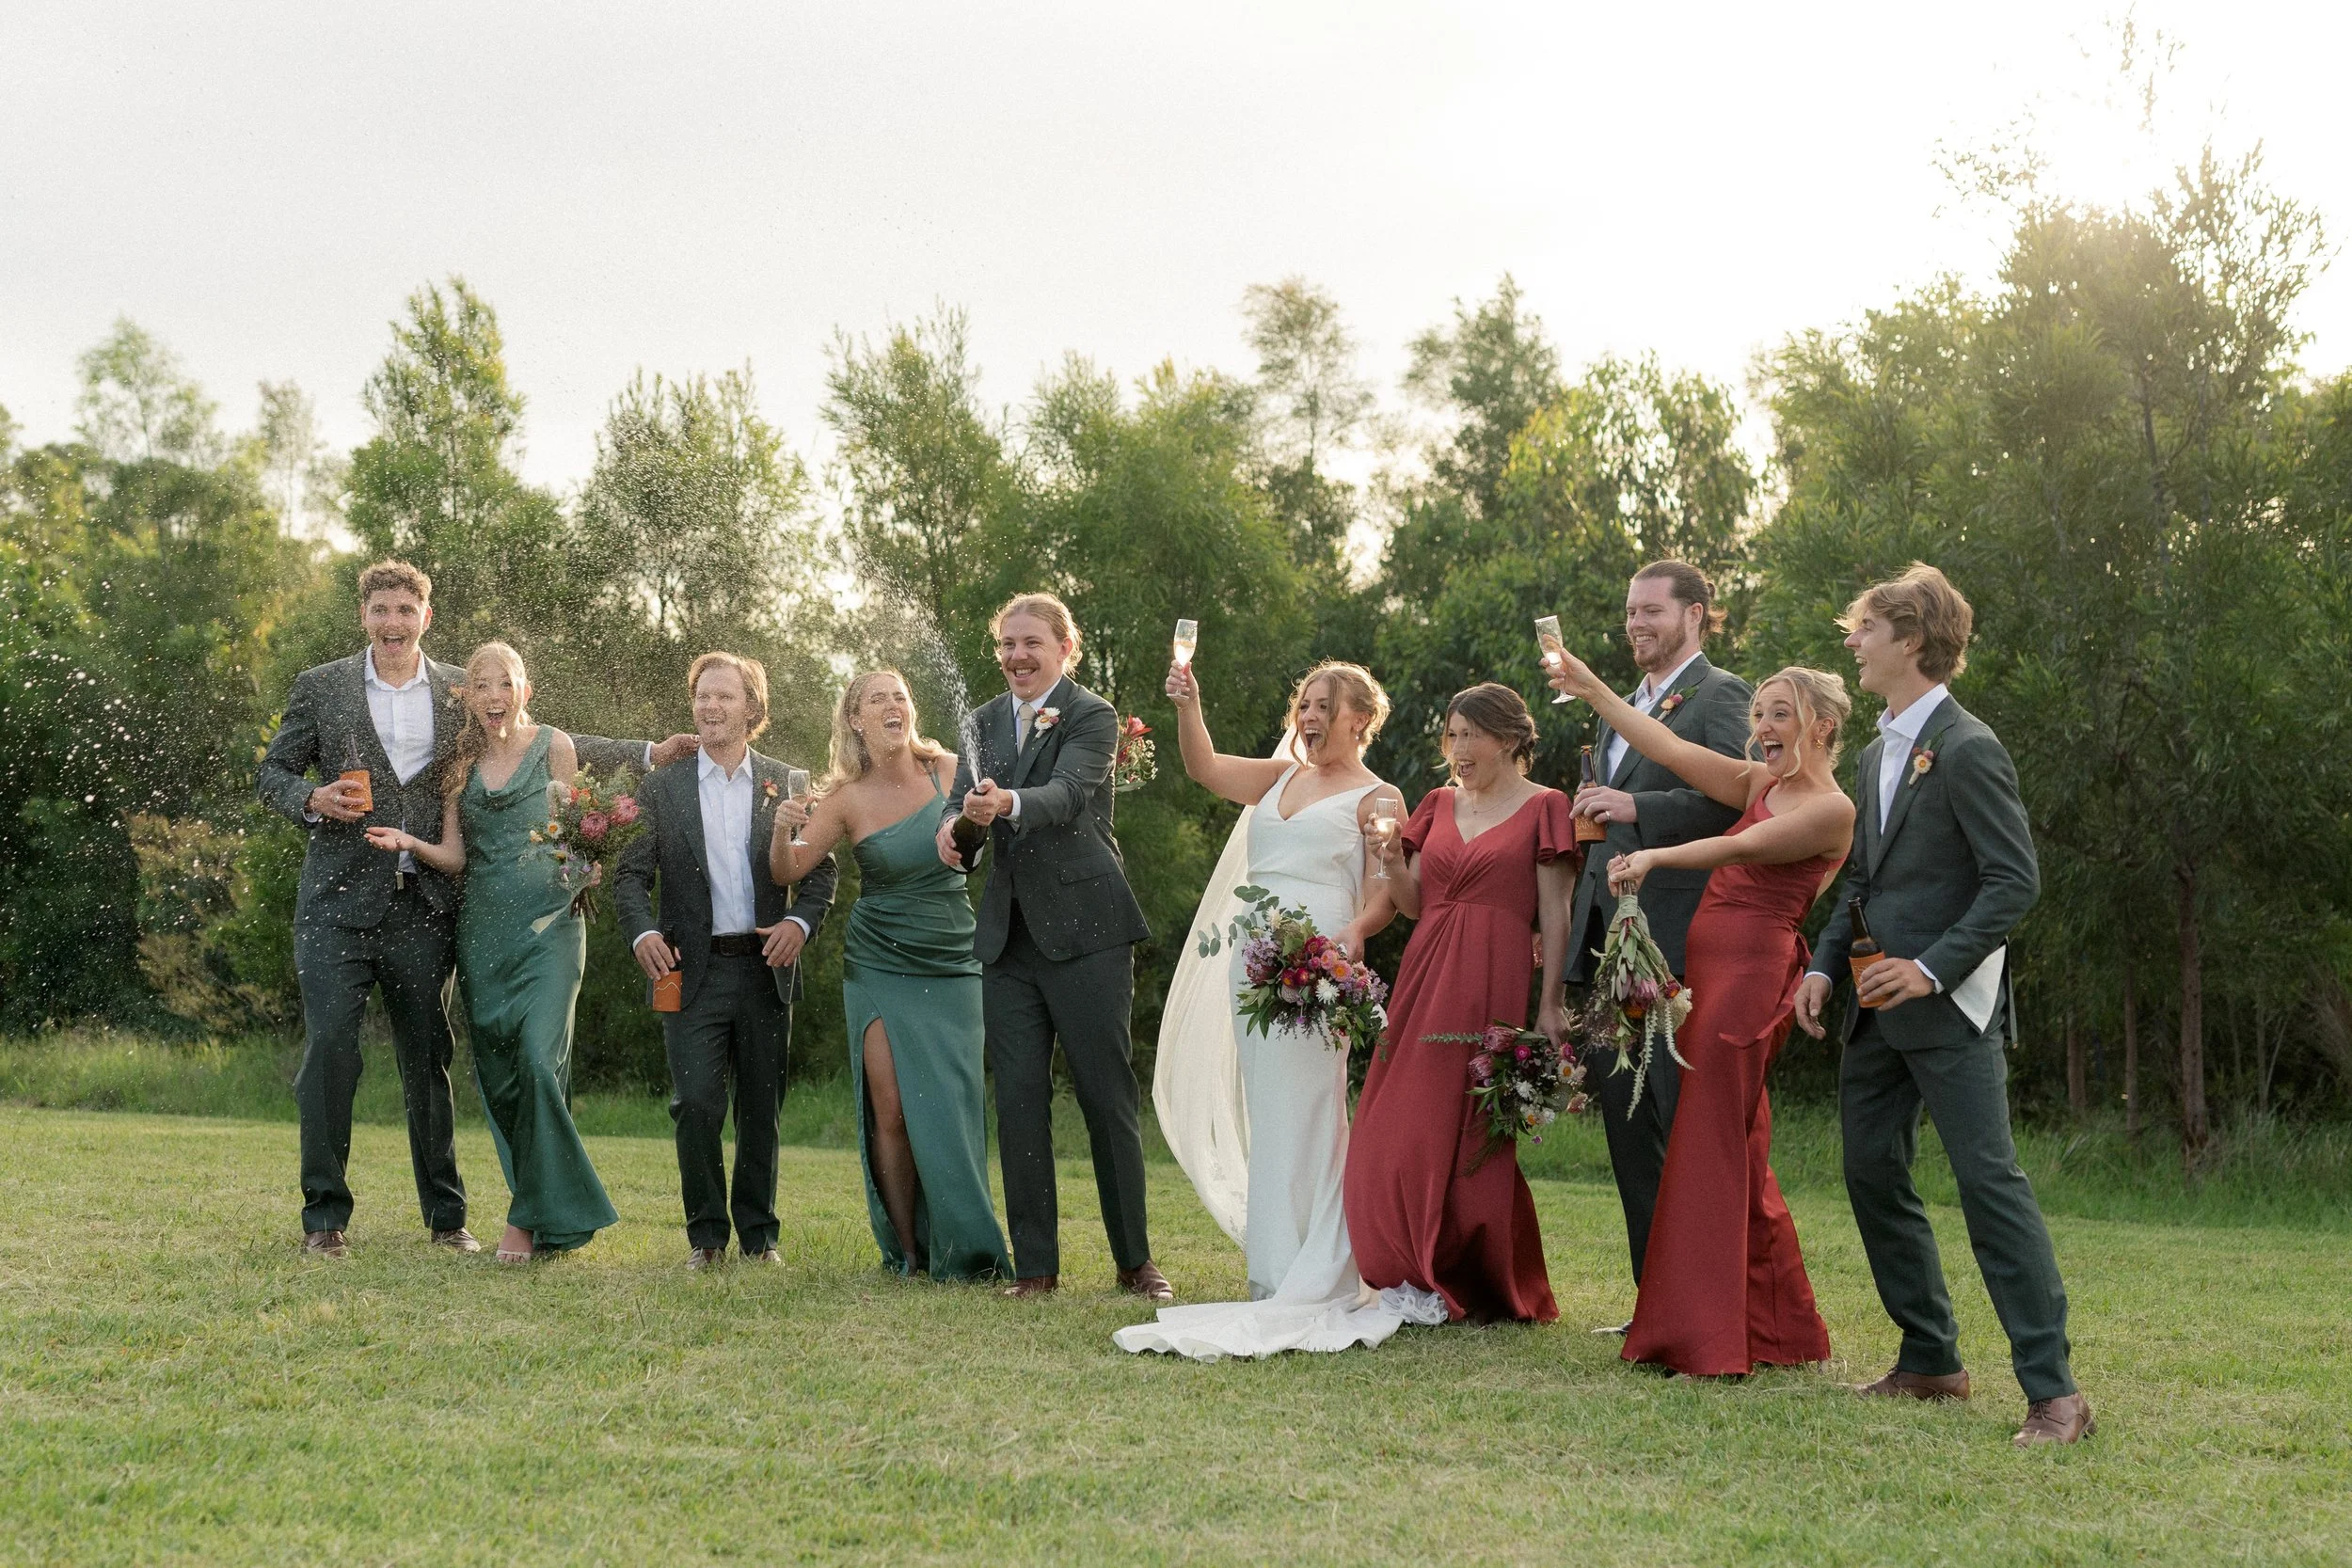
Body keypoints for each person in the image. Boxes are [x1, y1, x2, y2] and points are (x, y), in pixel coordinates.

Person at [258, 559, 689, 1258]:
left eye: (406, 611)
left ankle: (446, 1215)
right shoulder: (321, 686)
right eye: (380, 610)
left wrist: (645, 751)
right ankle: (325, 1218)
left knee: (429, 1058)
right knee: (331, 1049)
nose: (393, 623)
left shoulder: (462, 689)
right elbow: (270, 772)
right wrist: (312, 797)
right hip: (337, 903)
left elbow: (536, 736)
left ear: (425, 618)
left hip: (425, 907)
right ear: (363, 616)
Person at [1793, 563, 2093, 1448]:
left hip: (1951, 1007)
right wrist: (1822, 966)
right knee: (1869, 1170)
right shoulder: (1876, 751)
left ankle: (2056, 1393)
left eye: (1866, 629)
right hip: (1872, 1008)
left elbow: (2013, 882)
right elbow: (1862, 878)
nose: (1853, 642)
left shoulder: (1969, 747)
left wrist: (1929, 968)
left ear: (1913, 640)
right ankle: (1930, 1358)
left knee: (1988, 1185)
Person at [1119, 659, 1444, 1359]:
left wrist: (1354, 933)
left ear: (1360, 718)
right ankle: (1274, 1270)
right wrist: (1188, 704)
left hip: (1319, 958)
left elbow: (1385, 891)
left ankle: (1320, 1266)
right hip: (1254, 957)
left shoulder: (1379, 795)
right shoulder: (1279, 777)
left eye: (1325, 705)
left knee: (1312, 1105)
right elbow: (1205, 768)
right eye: (1305, 703)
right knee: (1271, 1110)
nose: (1310, 715)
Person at [1550, 650, 1851, 1376]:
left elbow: (1745, 844)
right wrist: (1591, 688)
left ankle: (1701, 1335)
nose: (1763, 726)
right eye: (1759, 714)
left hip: (1751, 977)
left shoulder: (1831, 808)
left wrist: (1658, 858)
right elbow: (1669, 747)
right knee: (1735, 1146)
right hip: (1707, 971)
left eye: (1780, 713)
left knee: (1708, 1143)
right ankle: (1779, 1328)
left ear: (1821, 725)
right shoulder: (1759, 782)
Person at [931, 592, 1168, 1302]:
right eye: (1007, 644)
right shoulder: (980, 721)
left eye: (1032, 642)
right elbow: (959, 812)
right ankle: (1036, 1268)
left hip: (1089, 932)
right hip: (1008, 942)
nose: (1017, 655)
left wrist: (1005, 802)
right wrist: (954, 833)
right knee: (1019, 1101)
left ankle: (1134, 1262)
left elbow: (1067, 795)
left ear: (1066, 648)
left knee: (1105, 1096)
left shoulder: (1091, 714)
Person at [363, 642, 618, 1263]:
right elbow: (455, 858)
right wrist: (410, 843)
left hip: (550, 930)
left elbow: (574, 834)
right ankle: (551, 1216)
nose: (495, 696)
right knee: (502, 1079)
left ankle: (524, 1219)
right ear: (468, 697)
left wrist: (589, 864)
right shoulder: (460, 764)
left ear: (525, 690)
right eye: (482, 685)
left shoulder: (555, 746)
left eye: (505, 683)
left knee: (538, 1063)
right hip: (482, 936)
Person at [1343, 684, 1573, 1323]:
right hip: (1426, 972)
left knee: (1469, 1124)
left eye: (1471, 734)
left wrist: (1550, 1002)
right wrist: (1392, 861)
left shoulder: (1547, 806)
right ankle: (1403, 1259)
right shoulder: (1437, 803)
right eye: (1452, 735)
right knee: (1396, 1120)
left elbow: (1556, 914)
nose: (1458, 748)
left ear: (1509, 739)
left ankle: (1473, 1268)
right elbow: (1415, 904)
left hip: (1493, 977)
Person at [771, 671, 1010, 1282]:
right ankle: (909, 1251)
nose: (891, 704)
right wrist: (780, 830)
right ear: (856, 720)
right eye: (876, 698)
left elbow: (991, 832)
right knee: (893, 1110)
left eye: (899, 695)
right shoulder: (845, 798)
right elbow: (788, 870)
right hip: (878, 962)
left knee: (952, 1109)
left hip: (953, 959)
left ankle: (968, 1247)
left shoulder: (949, 770)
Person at [1561, 561, 1755, 1316]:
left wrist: (1639, 806)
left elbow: (1739, 803)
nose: (1635, 622)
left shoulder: (1721, 694)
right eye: (1630, 611)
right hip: (1609, 942)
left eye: (1651, 610)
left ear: (1695, 614)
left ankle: (1705, 1309)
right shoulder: (1621, 708)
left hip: (1676, 937)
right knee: (1628, 1123)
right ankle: (1656, 1307)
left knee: (1681, 1122)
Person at [616, 652, 838, 1270]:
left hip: (766, 968)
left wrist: (798, 922)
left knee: (760, 1108)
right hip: (688, 971)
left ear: (752, 708)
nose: (710, 707)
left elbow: (821, 874)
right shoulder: (662, 787)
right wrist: (641, 933)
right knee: (695, 1103)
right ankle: (707, 1239)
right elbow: (630, 877)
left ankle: (760, 1239)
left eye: (724, 696)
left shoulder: (786, 782)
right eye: (702, 696)